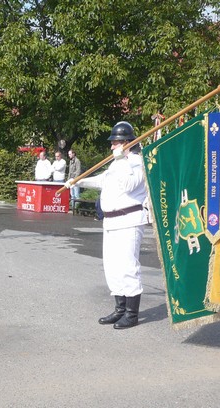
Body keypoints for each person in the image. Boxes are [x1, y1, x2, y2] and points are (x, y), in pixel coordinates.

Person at [65, 121, 148, 329]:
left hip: (128, 220)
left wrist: (123, 160)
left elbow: (128, 184)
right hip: (111, 221)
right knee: (112, 267)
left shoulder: (137, 162)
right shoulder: (117, 163)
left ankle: (131, 313)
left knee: (128, 267)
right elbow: (103, 180)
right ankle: (120, 309)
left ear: (127, 143)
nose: (111, 146)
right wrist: (78, 182)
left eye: (116, 142)